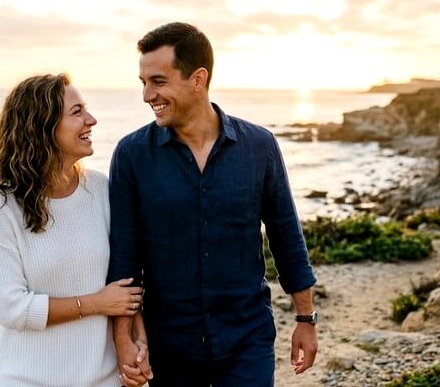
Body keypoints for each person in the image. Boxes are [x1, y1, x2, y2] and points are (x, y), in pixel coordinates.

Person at [107, 22, 319, 386]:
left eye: (158, 81)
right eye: (143, 82)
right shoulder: (131, 156)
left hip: (246, 341)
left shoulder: (260, 147)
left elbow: (287, 238)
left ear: (198, 79)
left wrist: (305, 319)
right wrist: (123, 339)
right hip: (168, 348)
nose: (147, 95)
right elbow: (125, 258)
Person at [0, 73, 147, 387]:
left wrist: (138, 340)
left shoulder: (100, 188)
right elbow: (12, 308)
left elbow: (126, 279)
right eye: (77, 112)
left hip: (105, 380)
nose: (91, 120)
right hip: (26, 381)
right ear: (42, 127)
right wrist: (95, 303)